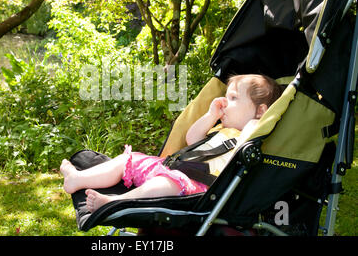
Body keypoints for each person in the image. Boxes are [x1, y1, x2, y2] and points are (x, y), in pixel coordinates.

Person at [60, 74, 282, 212]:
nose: (225, 101)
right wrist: (210, 115)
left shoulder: (250, 132)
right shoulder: (220, 130)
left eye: (233, 98)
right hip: (172, 166)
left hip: (197, 186)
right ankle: (77, 179)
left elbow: (252, 134)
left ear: (260, 111)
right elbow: (192, 140)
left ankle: (114, 202)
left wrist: (257, 122)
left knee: (168, 183)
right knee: (132, 158)